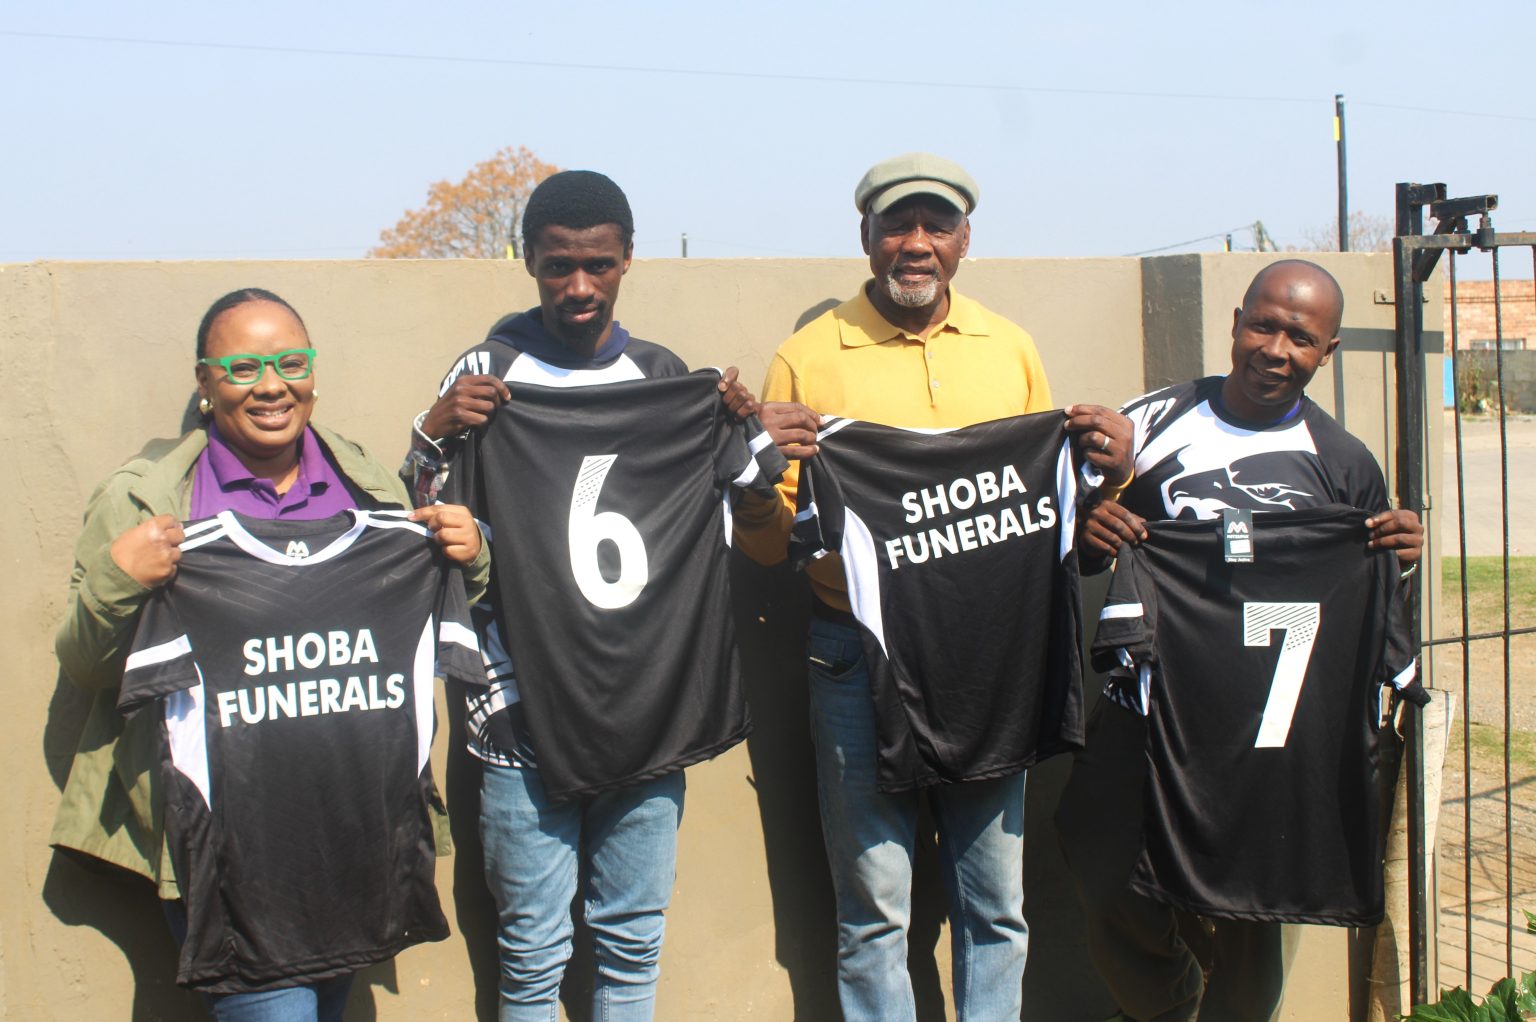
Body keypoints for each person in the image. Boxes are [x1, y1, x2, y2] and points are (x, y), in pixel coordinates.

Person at [732, 152, 1134, 1022]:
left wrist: (1106, 478)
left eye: (936, 226)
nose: (916, 244)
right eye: (897, 225)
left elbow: (1041, 506)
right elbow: (771, 545)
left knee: (995, 905)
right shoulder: (806, 357)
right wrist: (755, 473)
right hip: (856, 655)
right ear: (867, 237)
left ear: (963, 240)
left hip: (990, 658)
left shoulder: (1009, 346)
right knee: (875, 910)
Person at [51, 287, 487, 1021]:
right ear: (204, 382)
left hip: (347, 833)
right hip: (227, 853)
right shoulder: (150, 499)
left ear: (313, 372)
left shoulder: (364, 485)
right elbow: (89, 664)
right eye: (243, 367)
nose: (271, 385)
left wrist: (469, 560)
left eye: (289, 361)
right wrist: (120, 581)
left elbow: (417, 622)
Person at [402, 169, 763, 1022]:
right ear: (527, 259)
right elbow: (426, 518)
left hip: (647, 704)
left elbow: (750, 502)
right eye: (558, 265)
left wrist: (741, 426)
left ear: (628, 261)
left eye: (597, 265)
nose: (577, 286)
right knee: (531, 955)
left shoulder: (660, 373)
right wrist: (433, 427)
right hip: (523, 711)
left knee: (633, 942)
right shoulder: (486, 371)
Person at [1059, 258, 1425, 1022]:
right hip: (1149, 709)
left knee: (1250, 918)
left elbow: (1360, 598)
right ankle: (1170, 1009)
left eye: (1301, 336)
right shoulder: (1149, 424)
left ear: (1324, 353)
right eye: (1264, 324)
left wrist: (1401, 558)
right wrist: (1098, 521)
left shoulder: (1346, 466)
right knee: (1100, 862)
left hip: (1269, 732)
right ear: (1235, 324)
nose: (1276, 348)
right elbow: (1087, 545)